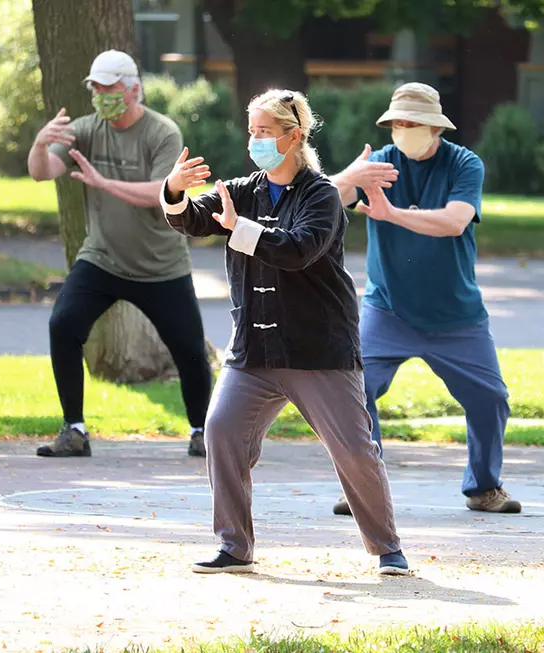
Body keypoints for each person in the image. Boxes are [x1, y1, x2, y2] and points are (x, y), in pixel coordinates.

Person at [160, 88, 409, 576]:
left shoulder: (321, 195)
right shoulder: (244, 189)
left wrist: (238, 230)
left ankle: (387, 550)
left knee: (354, 451)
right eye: (251, 131)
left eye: (265, 133)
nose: (255, 140)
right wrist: (172, 189)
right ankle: (235, 547)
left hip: (319, 350)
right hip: (254, 350)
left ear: (293, 137)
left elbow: (298, 250)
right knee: (221, 431)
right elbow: (190, 219)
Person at [329, 82, 522, 516]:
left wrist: (393, 214)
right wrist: (348, 179)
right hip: (389, 309)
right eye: (396, 122)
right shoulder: (380, 162)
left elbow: (455, 221)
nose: (402, 130)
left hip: (457, 316)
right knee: (355, 388)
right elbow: (327, 199)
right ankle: (363, 484)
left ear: (434, 127)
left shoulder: (463, 164)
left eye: (411, 123)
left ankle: (484, 488)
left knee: (490, 399)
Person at [27, 49, 212, 458]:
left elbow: (163, 193)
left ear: (133, 90)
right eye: (96, 89)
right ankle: (73, 430)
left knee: (189, 350)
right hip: (102, 258)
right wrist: (40, 145)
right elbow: (42, 172)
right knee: (63, 324)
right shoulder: (86, 129)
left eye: (109, 88)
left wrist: (103, 183)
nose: (101, 96)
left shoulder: (162, 133)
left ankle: (204, 432)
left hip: (160, 265)